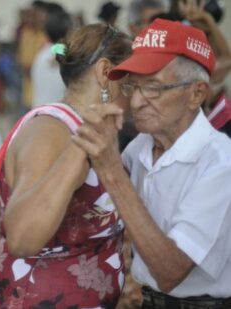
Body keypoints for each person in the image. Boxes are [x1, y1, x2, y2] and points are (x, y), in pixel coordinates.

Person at [73, 18, 231, 307]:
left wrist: (110, 170)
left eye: (154, 88)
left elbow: (170, 272)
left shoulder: (221, 164)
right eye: (133, 86)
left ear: (196, 93)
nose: (135, 103)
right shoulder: (142, 145)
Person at [0, 23, 132, 308]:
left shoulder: (84, 128)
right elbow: (22, 238)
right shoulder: (51, 131)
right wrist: (80, 147)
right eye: (130, 81)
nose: (135, 94)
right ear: (106, 72)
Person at [31, 6, 72, 107]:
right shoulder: (65, 53)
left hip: (39, 112)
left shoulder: (41, 54)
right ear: (68, 32)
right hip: (58, 114)